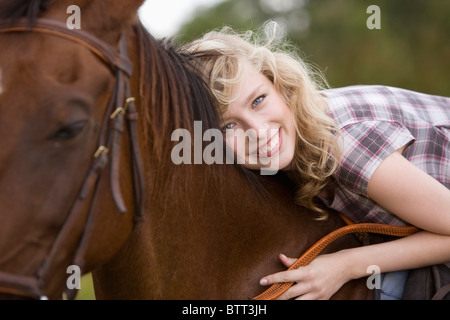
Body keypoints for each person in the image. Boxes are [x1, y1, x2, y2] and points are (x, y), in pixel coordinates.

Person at [178, 21, 450, 300]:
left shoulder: (344, 146)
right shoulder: (284, 150)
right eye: (228, 126)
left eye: (258, 100)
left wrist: (345, 266)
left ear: (280, 86)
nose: (258, 132)